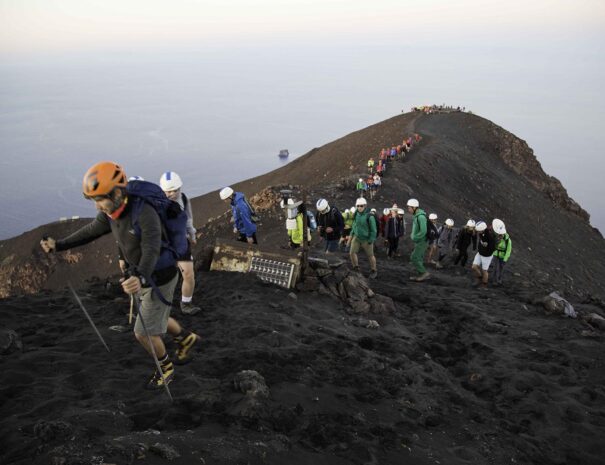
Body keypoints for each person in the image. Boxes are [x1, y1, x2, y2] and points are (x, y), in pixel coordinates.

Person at [40, 161, 200, 390]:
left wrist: (141, 277)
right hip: (140, 275)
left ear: (116, 192)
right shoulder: (112, 212)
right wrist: (60, 245)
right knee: (155, 316)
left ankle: (166, 367)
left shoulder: (144, 212)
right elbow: (92, 231)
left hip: (160, 276)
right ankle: (185, 337)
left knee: (143, 332)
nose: (97, 206)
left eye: (100, 199)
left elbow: (152, 247)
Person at [159, 171, 200, 315]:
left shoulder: (183, 198)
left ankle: (186, 304)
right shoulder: (156, 203)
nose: (172, 193)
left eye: (175, 190)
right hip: (163, 245)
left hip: (181, 242)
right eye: (168, 191)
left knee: (188, 274)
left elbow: (188, 219)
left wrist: (192, 234)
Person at [348, 197, 378, 279]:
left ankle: (374, 270)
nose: (359, 207)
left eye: (361, 206)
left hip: (366, 239)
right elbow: (354, 225)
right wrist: (351, 234)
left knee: (370, 255)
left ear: (365, 206)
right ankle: (356, 268)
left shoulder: (370, 216)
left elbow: (373, 230)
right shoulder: (355, 214)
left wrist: (371, 240)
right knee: (352, 253)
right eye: (357, 206)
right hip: (357, 237)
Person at [407, 198, 430, 281]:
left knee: (414, 257)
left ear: (414, 208)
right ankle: (421, 274)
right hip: (419, 241)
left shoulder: (421, 217)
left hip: (422, 241)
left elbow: (423, 231)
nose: (408, 209)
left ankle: (424, 273)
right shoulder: (417, 216)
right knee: (418, 258)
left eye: (409, 207)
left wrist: (415, 237)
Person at [471, 221, 496, 288]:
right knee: (474, 267)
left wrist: (486, 247)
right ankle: (479, 277)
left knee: (484, 270)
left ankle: (484, 284)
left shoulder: (490, 236)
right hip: (480, 253)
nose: (477, 232)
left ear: (482, 229)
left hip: (487, 256)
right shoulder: (481, 233)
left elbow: (493, 248)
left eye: (478, 231)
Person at [492, 219, 512, 286]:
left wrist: (505, 259)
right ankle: (494, 280)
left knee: (501, 268)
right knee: (494, 267)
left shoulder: (508, 240)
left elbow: (508, 251)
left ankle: (499, 279)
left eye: (501, 235)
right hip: (495, 254)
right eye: (499, 235)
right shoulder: (497, 238)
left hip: (503, 256)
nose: (500, 236)